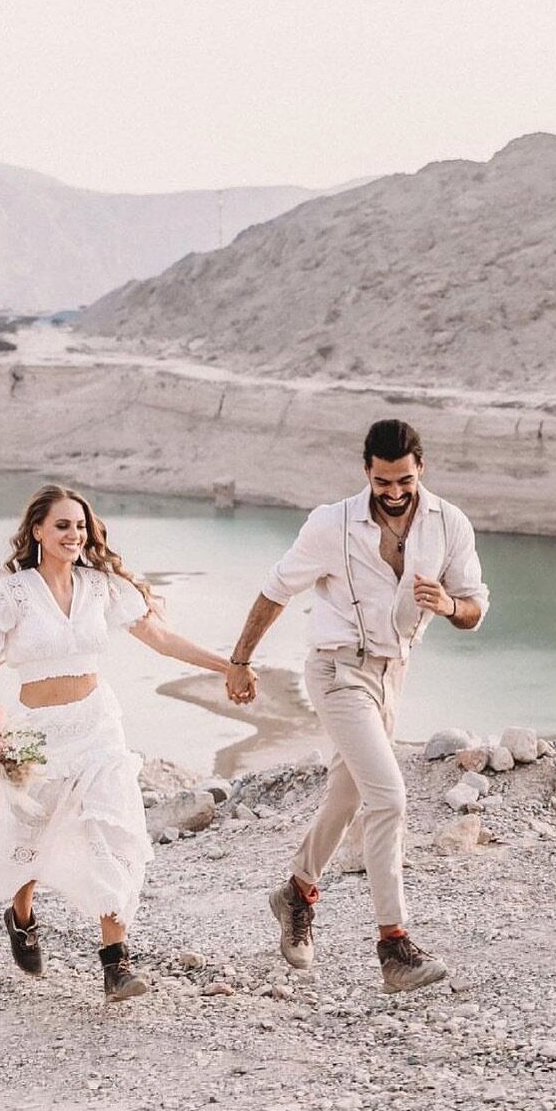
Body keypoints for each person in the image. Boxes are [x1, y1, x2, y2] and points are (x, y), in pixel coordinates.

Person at [0, 483, 231, 1001]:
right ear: (37, 532)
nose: (75, 534)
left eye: (80, 525)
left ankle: (116, 962)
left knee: (109, 833)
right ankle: (21, 915)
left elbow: (161, 639)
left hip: (99, 727)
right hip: (37, 735)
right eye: (62, 526)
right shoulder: (10, 595)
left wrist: (228, 665)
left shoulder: (103, 588)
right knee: (30, 833)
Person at [225, 419, 489, 992]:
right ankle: (394, 947)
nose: (394, 491)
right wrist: (240, 661)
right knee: (389, 796)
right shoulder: (331, 524)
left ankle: (295, 892)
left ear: (422, 469)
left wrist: (447, 604)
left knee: (347, 795)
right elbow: (276, 590)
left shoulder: (450, 523)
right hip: (336, 669)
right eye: (383, 480)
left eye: (405, 480)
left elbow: (474, 607)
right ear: (366, 470)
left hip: (392, 674)